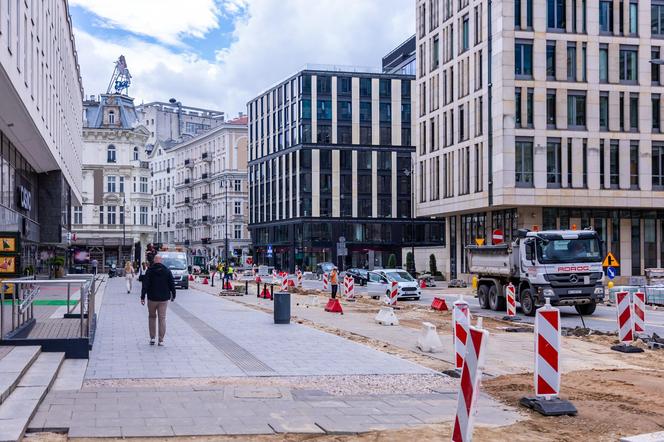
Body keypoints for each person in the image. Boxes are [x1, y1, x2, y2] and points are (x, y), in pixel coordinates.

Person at [140, 255, 176, 346]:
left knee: (152, 317)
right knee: (162, 318)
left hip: (152, 298)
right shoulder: (167, 271)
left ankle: (152, 338)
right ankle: (161, 340)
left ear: (154, 261)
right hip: (163, 299)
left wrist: (142, 296)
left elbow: (145, 284)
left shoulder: (150, 271)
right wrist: (173, 295)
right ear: (161, 261)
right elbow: (172, 284)